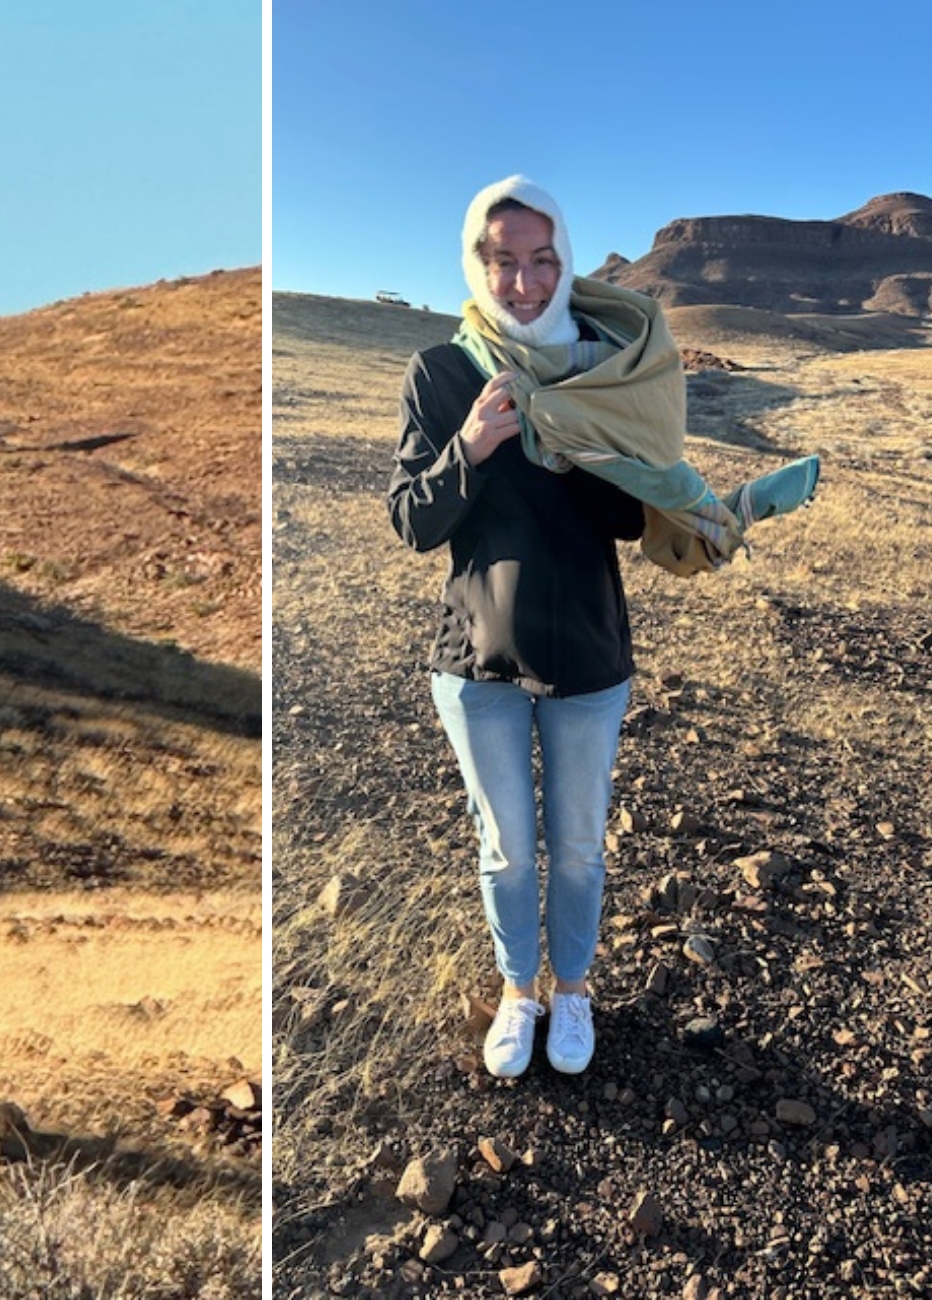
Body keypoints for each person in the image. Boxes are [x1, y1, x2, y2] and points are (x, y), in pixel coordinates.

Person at [387, 177, 646, 1079]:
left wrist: (585, 452)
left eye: (544, 261)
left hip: (587, 654)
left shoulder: (600, 364)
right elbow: (413, 523)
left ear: (564, 262)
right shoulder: (442, 371)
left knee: (575, 844)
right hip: (477, 663)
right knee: (504, 848)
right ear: (478, 263)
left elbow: (628, 521)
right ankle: (516, 991)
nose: (526, 283)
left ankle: (570, 990)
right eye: (506, 261)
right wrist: (470, 447)